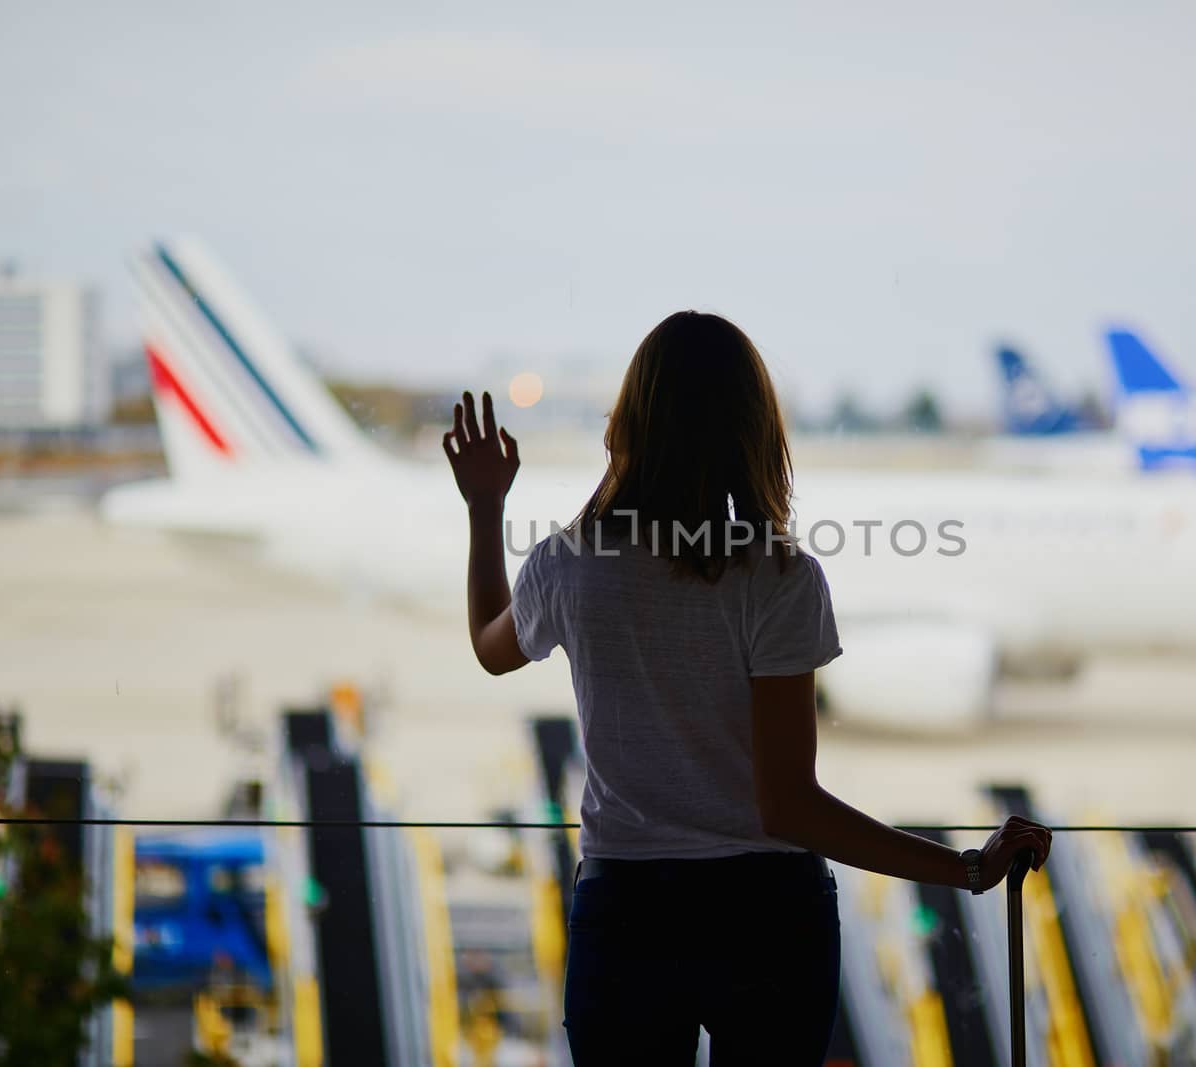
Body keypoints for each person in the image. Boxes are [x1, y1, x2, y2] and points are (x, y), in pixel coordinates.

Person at [444, 310, 1051, 1065]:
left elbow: (490, 647)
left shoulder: (569, 564)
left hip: (628, 912)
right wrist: (963, 867)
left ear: (628, 423)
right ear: (753, 429)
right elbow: (788, 805)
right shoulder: (780, 577)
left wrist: (484, 508)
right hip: (767, 918)